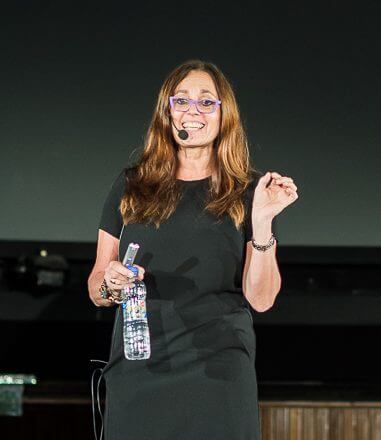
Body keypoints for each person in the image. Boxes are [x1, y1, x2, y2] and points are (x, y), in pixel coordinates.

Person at [87, 59, 298, 439]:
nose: (192, 112)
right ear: (166, 113)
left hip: (217, 372)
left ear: (224, 115)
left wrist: (263, 221)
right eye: (180, 101)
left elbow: (262, 299)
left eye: (206, 102)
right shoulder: (132, 184)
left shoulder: (249, 193)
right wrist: (110, 285)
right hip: (141, 368)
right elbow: (97, 283)